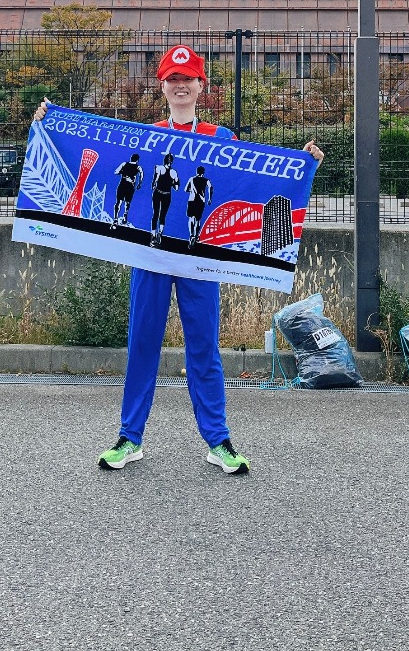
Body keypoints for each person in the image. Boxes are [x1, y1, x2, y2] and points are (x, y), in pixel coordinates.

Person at [33, 45, 323, 473]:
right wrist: (48, 124)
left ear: (201, 85)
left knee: (203, 348)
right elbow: (95, 153)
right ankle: (129, 437)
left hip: (199, 260)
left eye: (187, 78)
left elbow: (256, 183)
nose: (180, 85)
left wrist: (304, 165)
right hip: (149, 255)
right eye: (172, 78)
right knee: (142, 344)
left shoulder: (222, 139)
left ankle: (218, 440)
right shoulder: (146, 136)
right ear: (163, 87)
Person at [149, 152, 179, 247]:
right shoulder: (174, 172)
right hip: (167, 195)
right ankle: (159, 234)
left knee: (155, 215)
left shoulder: (159, 168)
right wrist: (171, 183)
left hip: (158, 193)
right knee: (162, 216)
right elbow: (177, 188)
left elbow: (154, 182)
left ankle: (153, 236)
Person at [111, 153, 143, 228]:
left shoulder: (124, 164)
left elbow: (116, 172)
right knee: (127, 202)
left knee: (119, 202)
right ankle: (125, 215)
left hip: (122, 184)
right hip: (130, 186)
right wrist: (139, 184)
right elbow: (142, 175)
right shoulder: (138, 167)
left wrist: (123, 172)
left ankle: (115, 219)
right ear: (137, 160)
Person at [184, 166, 213, 248]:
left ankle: (191, 235)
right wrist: (210, 198)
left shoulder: (191, 179)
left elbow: (185, 189)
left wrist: (191, 190)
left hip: (192, 199)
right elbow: (210, 187)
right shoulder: (206, 180)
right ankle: (196, 235)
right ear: (203, 173)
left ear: (196, 171)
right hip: (201, 200)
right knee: (197, 219)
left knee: (191, 218)